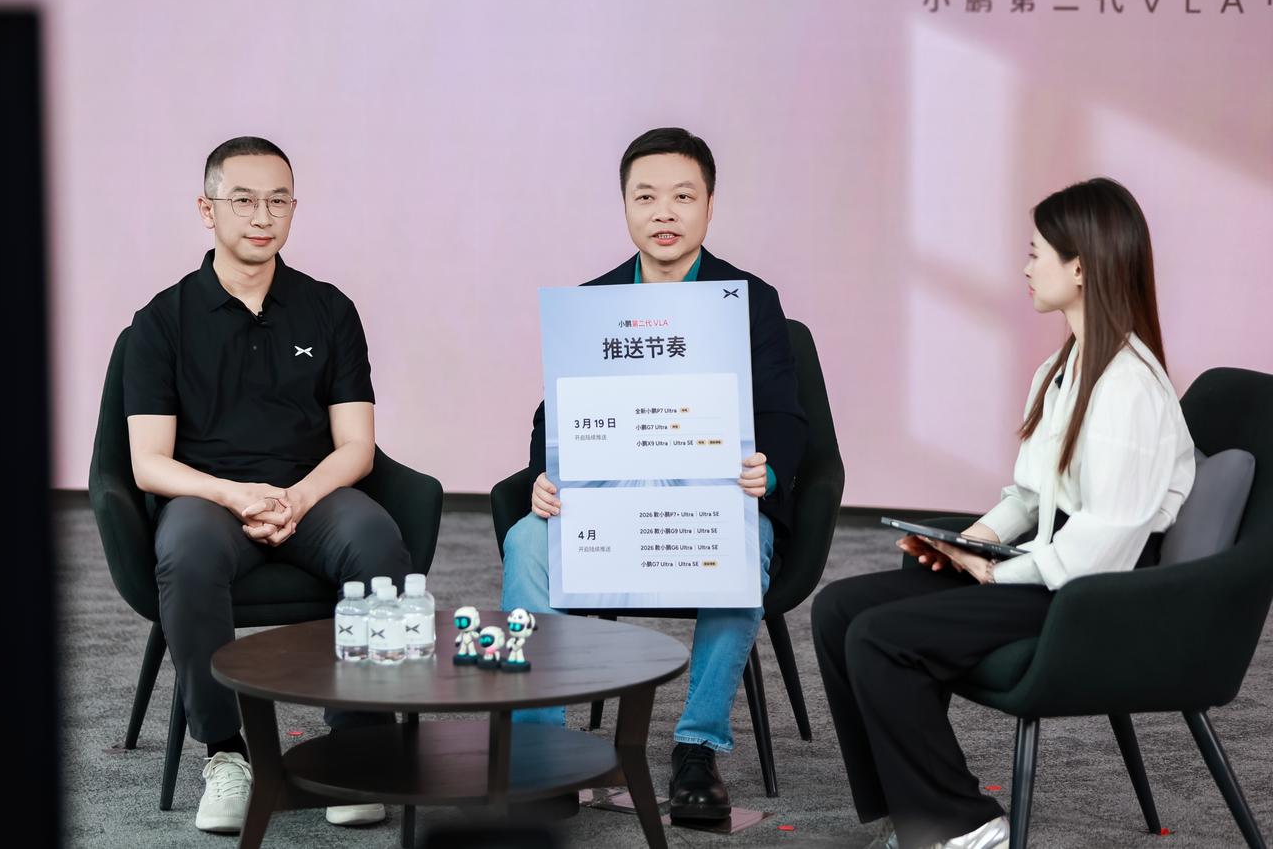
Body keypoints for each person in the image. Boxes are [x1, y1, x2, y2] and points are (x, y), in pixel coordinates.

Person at [811, 177, 1195, 849]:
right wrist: (971, 542)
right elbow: (1029, 495)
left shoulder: (1129, 388)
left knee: (879, 637)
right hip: (1050, 570)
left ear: (1081, 267)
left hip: (1093, 596)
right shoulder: (1063, 367)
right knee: (838, 610)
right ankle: (915, 814)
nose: (1025, 267)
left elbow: (1105, 541)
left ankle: (965, 823)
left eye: (1036, 252)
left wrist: (996, 573)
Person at [500, 127, 808, 822]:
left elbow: (786, 415)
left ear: (709, 205)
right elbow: (555, 413)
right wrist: (543, 475)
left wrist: (767, 472)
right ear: (625, 206)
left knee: (743, 544)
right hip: (609, 502)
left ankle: (697, 746)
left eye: (682, 196)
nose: (663, 212)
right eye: (645, 197)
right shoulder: (595, 301)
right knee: (525, 541)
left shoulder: (749, 299)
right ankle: (541, 749)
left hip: (712, 498)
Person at [125, 136, 408, 833]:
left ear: (293, 208)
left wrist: (299, 498)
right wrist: (235, 495)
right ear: (207, 208)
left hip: (313, 494)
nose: (262, 216)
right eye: (244, 200)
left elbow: (357, 445)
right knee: (186, 552)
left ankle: (355, 749)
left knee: (377, 540)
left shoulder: (328, 309)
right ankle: (227, 752)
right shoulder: (162, 321)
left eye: (278, 201)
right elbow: (148, 462)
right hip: (210, 500)